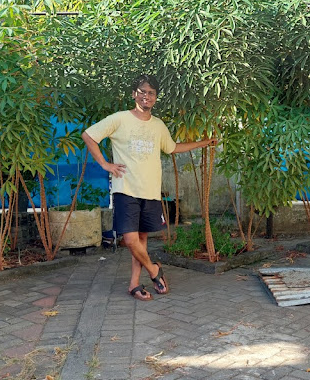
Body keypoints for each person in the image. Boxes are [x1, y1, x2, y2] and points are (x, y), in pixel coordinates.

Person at [82, 74, 217, 301]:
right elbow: (88, 135)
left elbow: (172, 148)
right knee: (130, 239)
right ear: (134, 94)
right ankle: (155, 270)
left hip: (150, 190)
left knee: (141, 239)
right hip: (125, 189)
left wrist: (204, 143)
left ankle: (134, 285)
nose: (146, 96)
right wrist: (105, 164)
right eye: (142, 91)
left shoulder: (158, 125)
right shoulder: (119, 119)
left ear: (155, 98)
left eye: (151, 93)